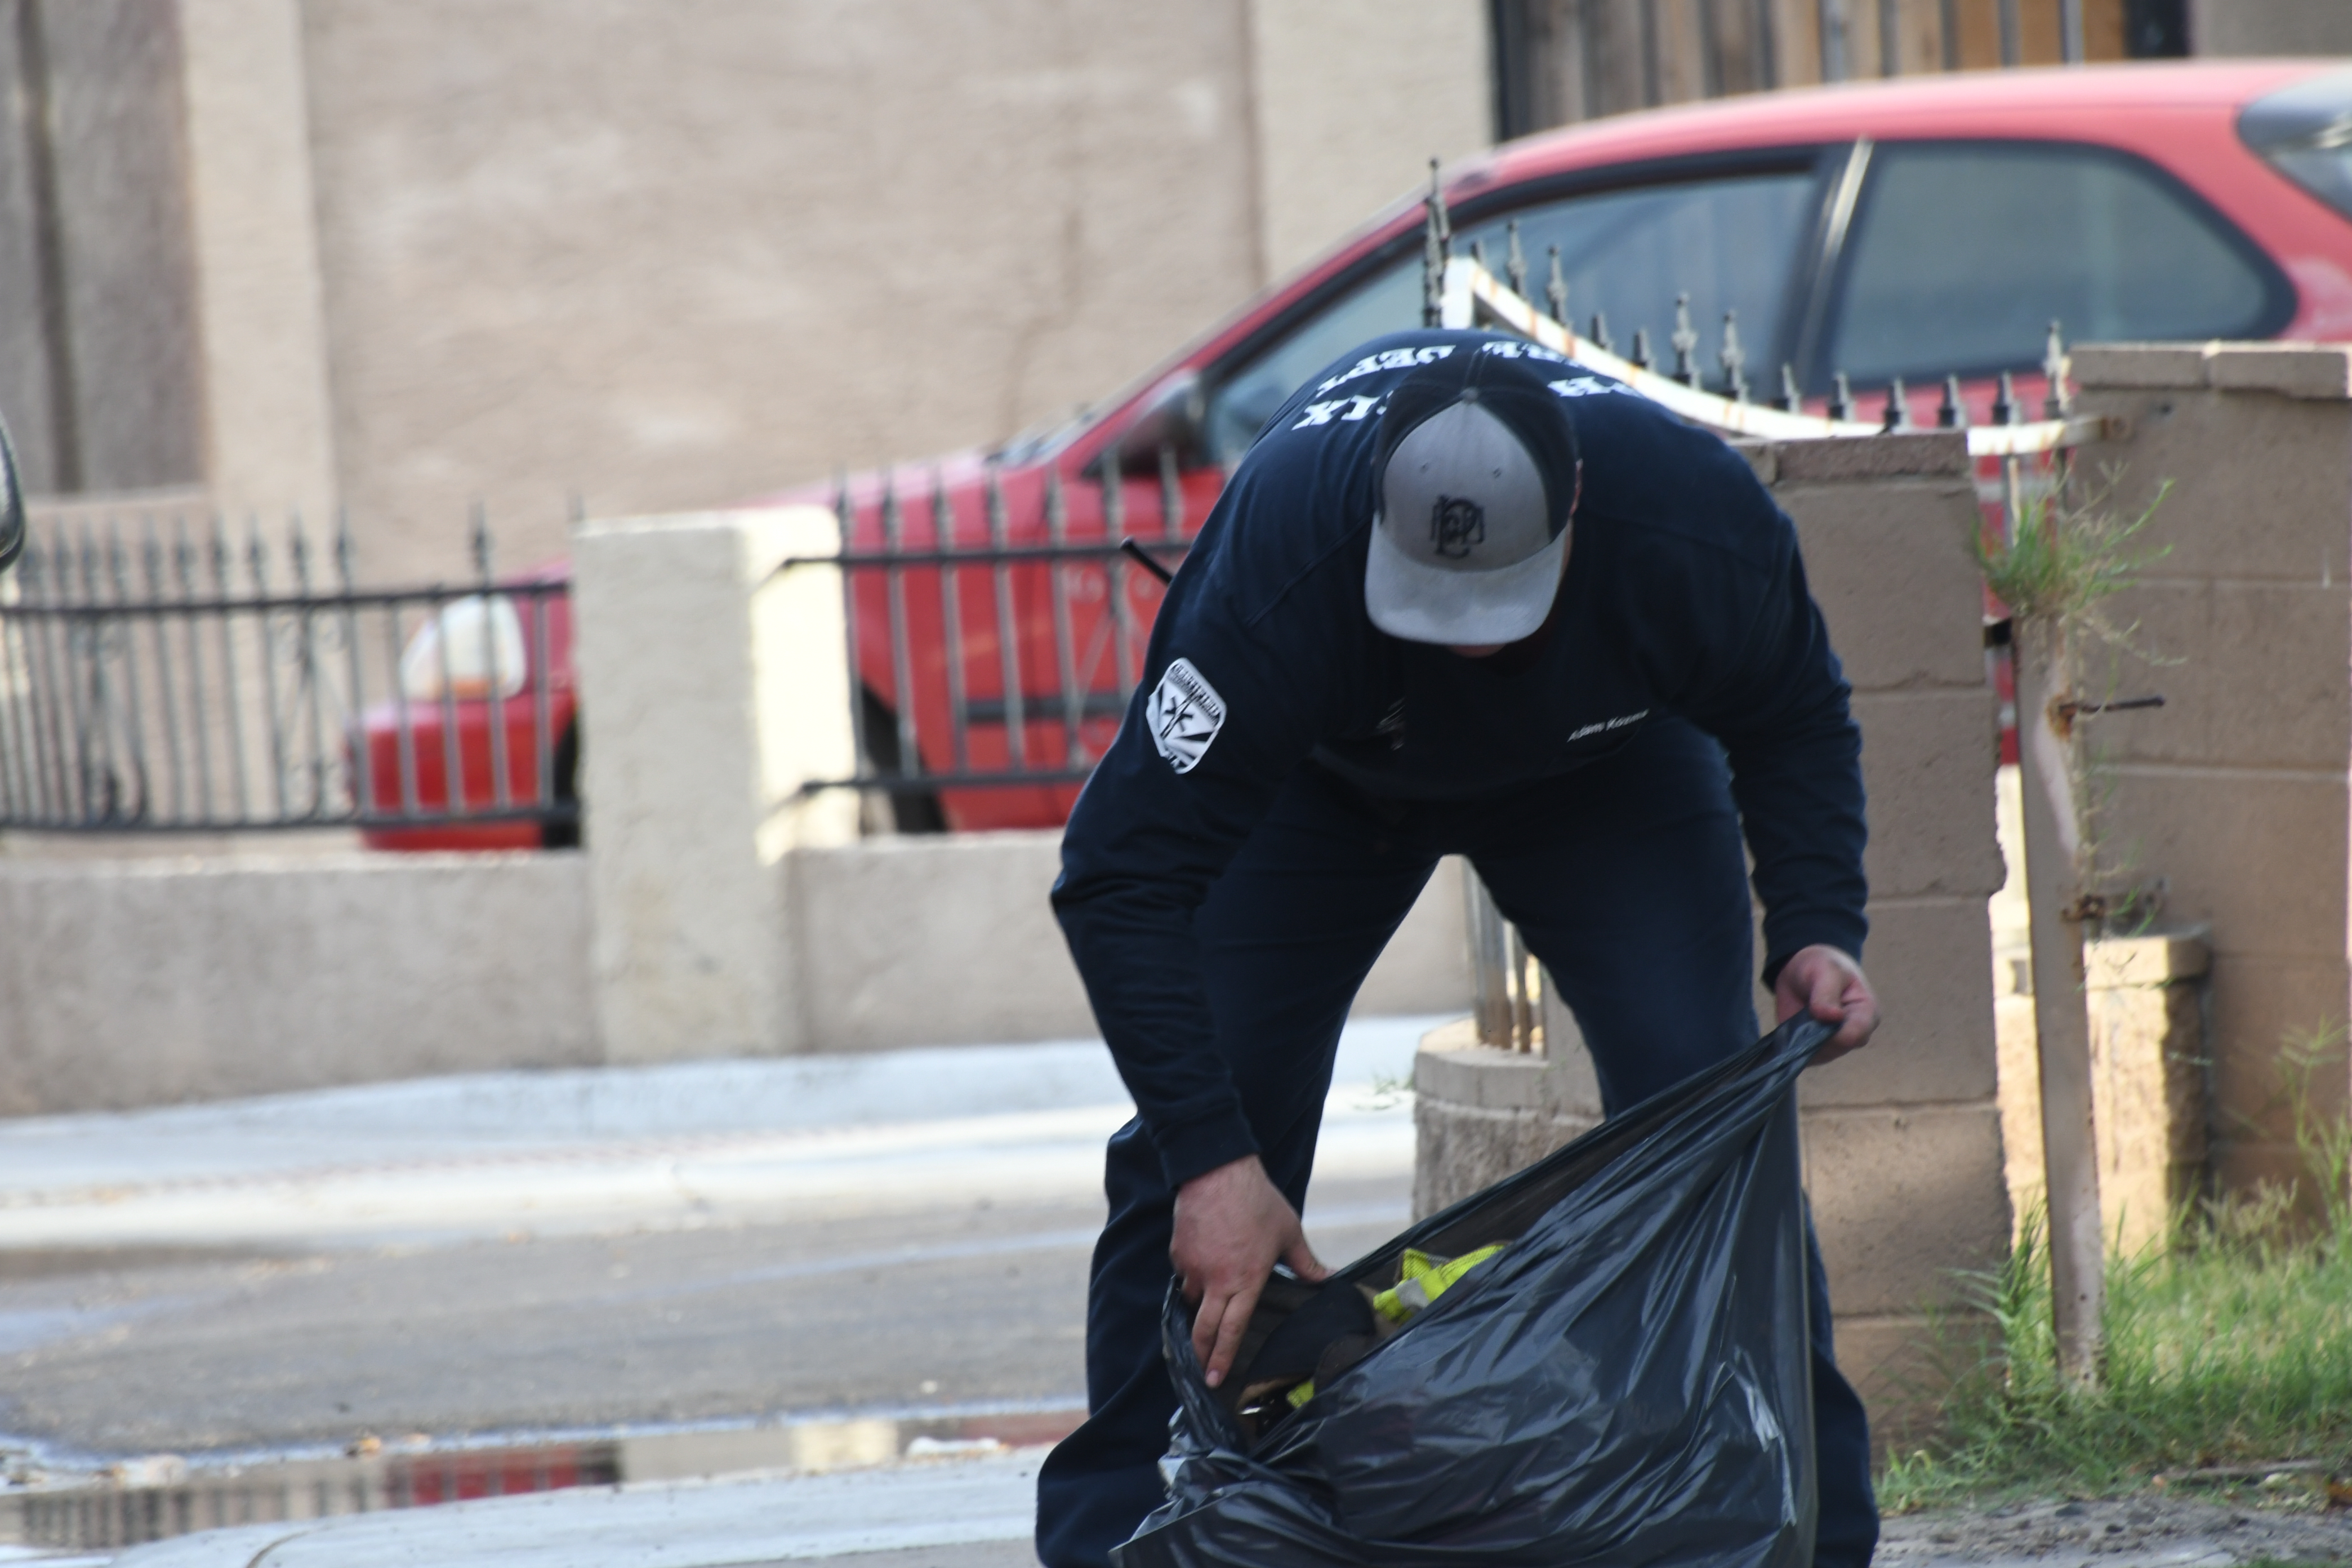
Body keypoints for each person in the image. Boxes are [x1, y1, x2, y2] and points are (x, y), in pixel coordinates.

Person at [1035, 328, 1883, 1568]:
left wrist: (1815, 920)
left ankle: (1808, 1529)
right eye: (1436, 602)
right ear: (1380, 513)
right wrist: (1215, 1160)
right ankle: (1123, 1536)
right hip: (1324, 783)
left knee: (1706, 1123)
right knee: (1204, 1142)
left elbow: (1794, 711)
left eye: (1503, 600)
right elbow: (1120, 874)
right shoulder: (1281, 569)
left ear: (1575, 501)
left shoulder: (1690, 521)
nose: (1468, 640)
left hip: (1604, 769)